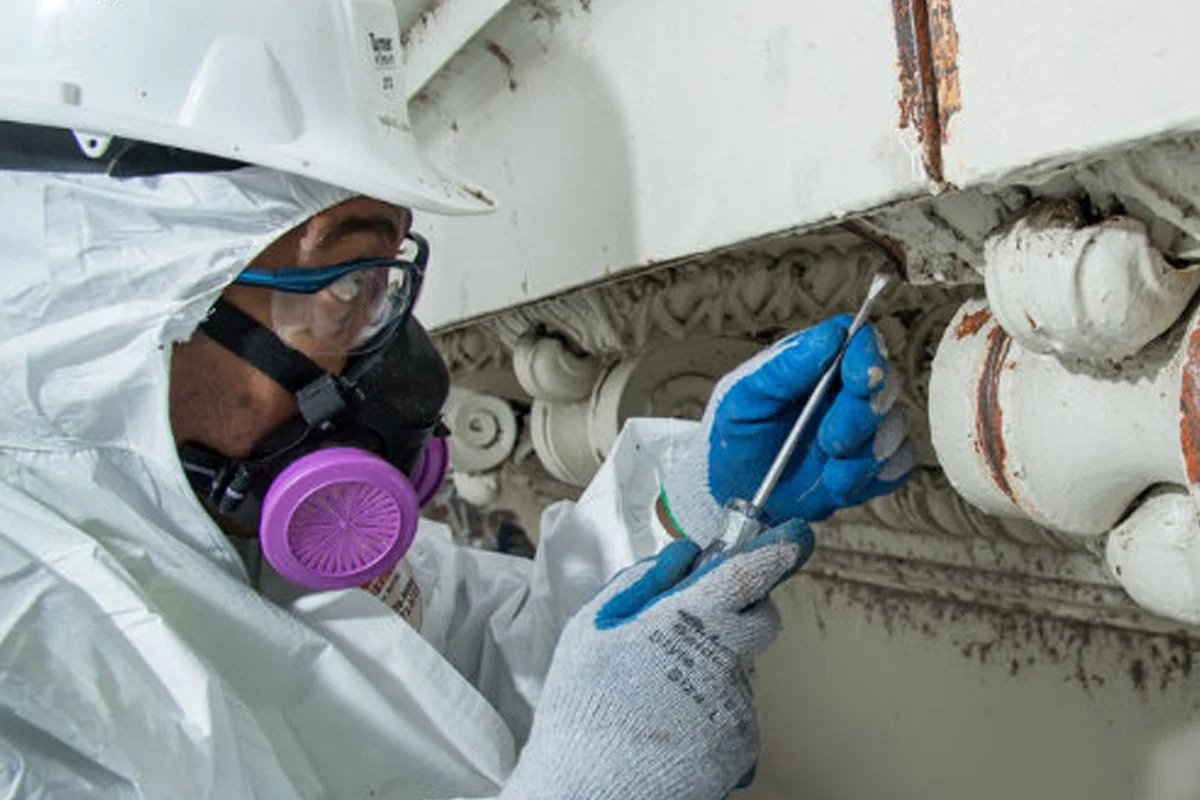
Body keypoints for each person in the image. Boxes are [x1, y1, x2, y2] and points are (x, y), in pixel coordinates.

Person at [0, 1, 914, 798]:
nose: (393, 369)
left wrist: (686, 509)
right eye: (336, 289)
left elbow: (475, 673)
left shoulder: (222, 531)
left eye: (380, 284)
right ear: (126, 297)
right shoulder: (27, 673)